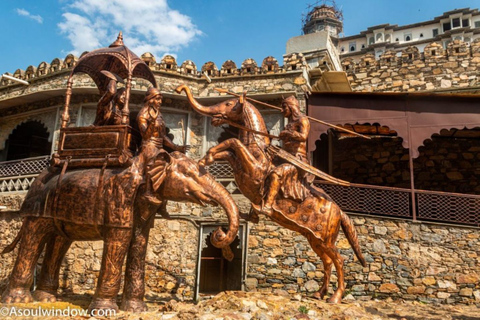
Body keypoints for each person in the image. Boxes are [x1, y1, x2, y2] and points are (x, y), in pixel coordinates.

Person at [137, 87, 188, 210]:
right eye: (158, 99)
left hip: (159, 145)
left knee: (171, 163)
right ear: (151, 99)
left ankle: (162, 200)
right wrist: (152, 123)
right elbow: (145, 134)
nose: (160, 102)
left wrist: (176, 147)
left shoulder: (159, 114)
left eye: (161, 99)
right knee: (152, 161)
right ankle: (147, 191)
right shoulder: (143, 114)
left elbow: (163, 135)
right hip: (148, 145)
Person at [261, 95, 312, 215]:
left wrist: (288, 133)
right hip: (285, 156)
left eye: (284, 107)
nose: (282, 110)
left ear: (291, 107)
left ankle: (268, 206)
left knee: (276, 174)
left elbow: (303, 137)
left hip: (297, 160)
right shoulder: (289, 122)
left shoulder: (302, 120)